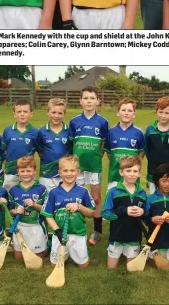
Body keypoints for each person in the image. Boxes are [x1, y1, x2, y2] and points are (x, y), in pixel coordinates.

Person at [68, 86, 108, 245]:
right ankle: (78, 228)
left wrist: (97, 156)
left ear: (98, 101)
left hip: (94, 166)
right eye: (86, 98)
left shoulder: (103, 122)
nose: (89, 101)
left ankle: (97, 230)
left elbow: (103, 144)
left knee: (96, 198)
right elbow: (71, 145)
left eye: (92, 98)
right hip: (78, 168)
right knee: (77, 197)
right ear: (80, 101)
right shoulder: (74, 121)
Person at [41, 154, 95, 269]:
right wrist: (57, 231)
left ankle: (82, 252)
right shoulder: (53, 192)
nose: (69, 173)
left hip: (78, 233)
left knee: (83, 265)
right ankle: (53, 244)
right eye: (65, 171)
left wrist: (80, 207)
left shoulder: (83, 191)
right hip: (59, 234)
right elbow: (48, 216)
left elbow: (91, 214)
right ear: (59, 172)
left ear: (78, 172)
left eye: (72, 170)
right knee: (54, 265)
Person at [101, 156, 148, 269]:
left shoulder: (142, 193)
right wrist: (123, 211)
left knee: (132, 269)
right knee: (111, 268)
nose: (132, 174)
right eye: (128, 171)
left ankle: (132, 250)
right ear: (121, 172)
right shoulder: (113, 191)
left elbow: (147, 214)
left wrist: (142, 212)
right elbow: (105, 213)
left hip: (134, 237)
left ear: (139, 173)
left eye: (135, 171)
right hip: (116, 236)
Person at [7, 156, 48, 260]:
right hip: (19, 226)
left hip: (35, 226)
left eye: (29, 171)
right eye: (22, 171)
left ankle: (47, 244)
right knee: (19, 258)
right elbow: (10, 211)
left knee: (38, 258)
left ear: (35, 171)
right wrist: (16, 211)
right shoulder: (13, 190)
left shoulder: (41, 189)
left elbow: (47, 210)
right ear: (18, 172)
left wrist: (35, 205)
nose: (25, 174)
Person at [144, 162, 169, 264]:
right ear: (157, 181)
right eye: (164, 181)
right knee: (156, 263)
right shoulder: (150, 199)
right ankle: (151, 255)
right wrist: (152, 219)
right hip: (156, 240)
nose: (167, 184)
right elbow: (145, 218)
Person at [105, 98, 145, 191]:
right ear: (118, 113)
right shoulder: (111, 132)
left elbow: (141, 154)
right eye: (123, 110)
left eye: (130, 110)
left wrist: (133, 165)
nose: (126, 113)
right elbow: (109, 154)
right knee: (113, 204)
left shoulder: (139, 133)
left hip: (132, 178)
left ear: (134, 114)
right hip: (114, 176)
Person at [144, 96, 169, 194]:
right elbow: (147, 151)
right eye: (160, 112)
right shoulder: (150, 130)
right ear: (156, 111)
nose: (163, 116)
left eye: (167, 113)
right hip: (153, 174)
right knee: (155, 202)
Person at [36, 98, 72, 192]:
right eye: (53, 112)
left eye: (60, 113)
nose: (56, 116)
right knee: (47, 203)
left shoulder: (69, 131)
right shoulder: (41, 132)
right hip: (46, 175)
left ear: (64, 114)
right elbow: (40, 152)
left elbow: (71, 151)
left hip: (65, 174)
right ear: (48, 112)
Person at [2, 99, 39, 191]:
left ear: (31, 114)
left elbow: (41, 153)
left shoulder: (35, 132)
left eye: (25, 111)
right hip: (11, 172)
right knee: (8, 196)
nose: (22, 114)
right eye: (19, 112)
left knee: (27, 197)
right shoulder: (8, 131)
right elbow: (3, 151)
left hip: (28, 172)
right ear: (14, 114)